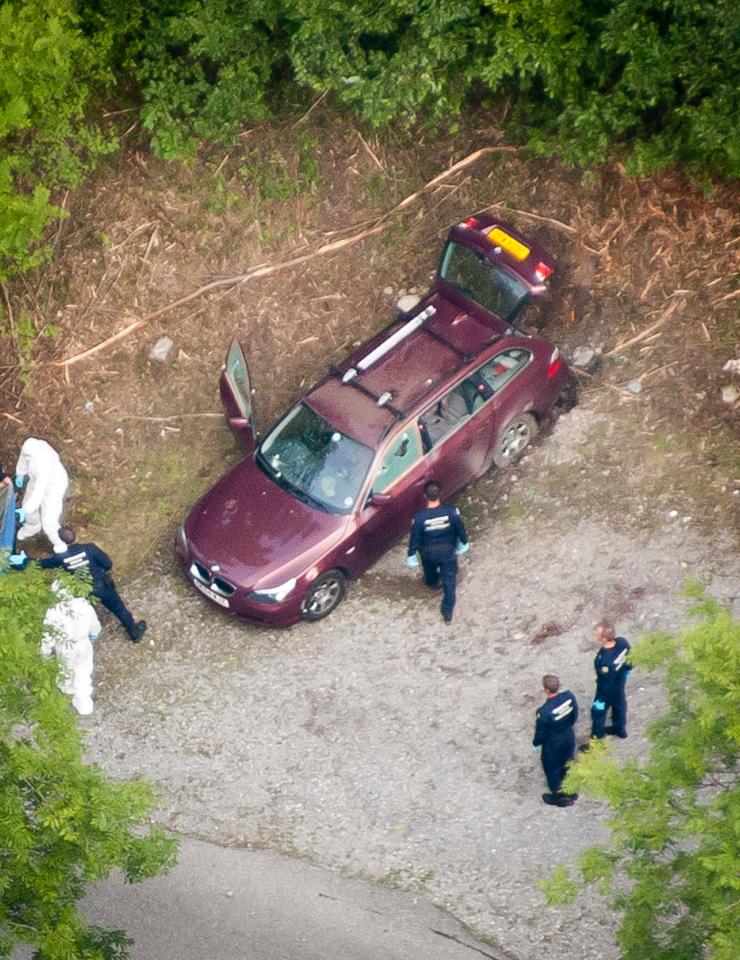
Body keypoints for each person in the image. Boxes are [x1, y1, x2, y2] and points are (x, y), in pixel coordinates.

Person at [39, 527, 147, 643]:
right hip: (103, 586)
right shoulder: (89, 548)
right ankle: (134, 633)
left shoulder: (60, 558)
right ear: (75, 534)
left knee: (87, 612)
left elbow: (42, 564)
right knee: (119, 608)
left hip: (82, 591)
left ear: (61, 541)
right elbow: (108, 564)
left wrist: (24, 562)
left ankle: (88, 634)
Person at [406, 481, 468, 624]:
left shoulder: (420, 517)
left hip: (428, 553)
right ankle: (447, 613)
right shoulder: (451, 511)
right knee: (450, 582)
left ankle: (432, 582)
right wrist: (464, 542)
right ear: (440, 494)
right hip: (447, 552)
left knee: (429, 570)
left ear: (425, 496)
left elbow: (415, 537)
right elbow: (460, 528)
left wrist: (411, 554)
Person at [42, 582, 101, 716]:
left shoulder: (53, 611)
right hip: (84, 642)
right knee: (83, 669)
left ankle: (67, 688)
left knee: (65, 668)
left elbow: (48, 635)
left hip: (65, 646)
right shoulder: (83, 603)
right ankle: (84, 703)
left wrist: (45, 652)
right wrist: (94, 633)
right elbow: (94, 622)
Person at [580, 620, 631, 749]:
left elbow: (605, 682)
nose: (595, 635)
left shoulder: (604, 660)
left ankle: (595, 744)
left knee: (597, 715)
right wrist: (625, 673)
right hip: (620, 682)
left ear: (603, 638)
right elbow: (630, 660)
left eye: (597, 633)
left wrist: (600, 700)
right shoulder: (622, 643)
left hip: (607, 689)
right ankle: (620, 729)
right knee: (619, 704)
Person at [14, 437, 69, 554]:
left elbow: (39, 491)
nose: (26, 456)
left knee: (48, 518)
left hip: (54, 485)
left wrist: (26, 510)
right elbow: (23, 459)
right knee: (27, 503)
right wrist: (20, 473)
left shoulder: (44, 463)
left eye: (29, 456)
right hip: (35, 480)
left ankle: (59, 544)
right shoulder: (31, 447)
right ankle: (32, 526)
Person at [532, 674, 579, 807]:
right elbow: (575, 714)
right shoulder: (569, 697)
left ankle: (558, 796)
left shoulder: (544, 711)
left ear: (546, 690)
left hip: (553, 742)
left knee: (552, 768)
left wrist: (536, 743)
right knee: (568, 762)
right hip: (568, 735)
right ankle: (570, 790)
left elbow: (540, 731)